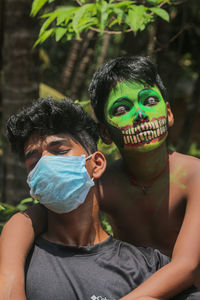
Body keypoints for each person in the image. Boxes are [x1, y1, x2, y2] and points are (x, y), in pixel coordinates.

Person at [1, 56, 200, 299]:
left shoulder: (194, 176)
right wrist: (10, 270)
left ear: (168, 112)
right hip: (122, 283)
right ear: (105, 132)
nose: (140, 115)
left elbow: (187, 265)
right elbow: (37, 216)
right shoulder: (102, 183)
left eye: (149, 101)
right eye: (121, 109)